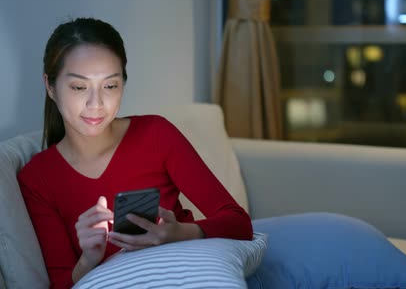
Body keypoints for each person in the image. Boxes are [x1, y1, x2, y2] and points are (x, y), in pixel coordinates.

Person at [17, 17, 253, 289]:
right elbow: (62, 284)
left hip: (192, 272)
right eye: (79, 87)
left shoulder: (155, 134)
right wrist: (89, 259)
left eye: (110, 86)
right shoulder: (38, 179)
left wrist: (178, 233)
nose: (97, 104)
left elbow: (238, 223)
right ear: (50, 86)